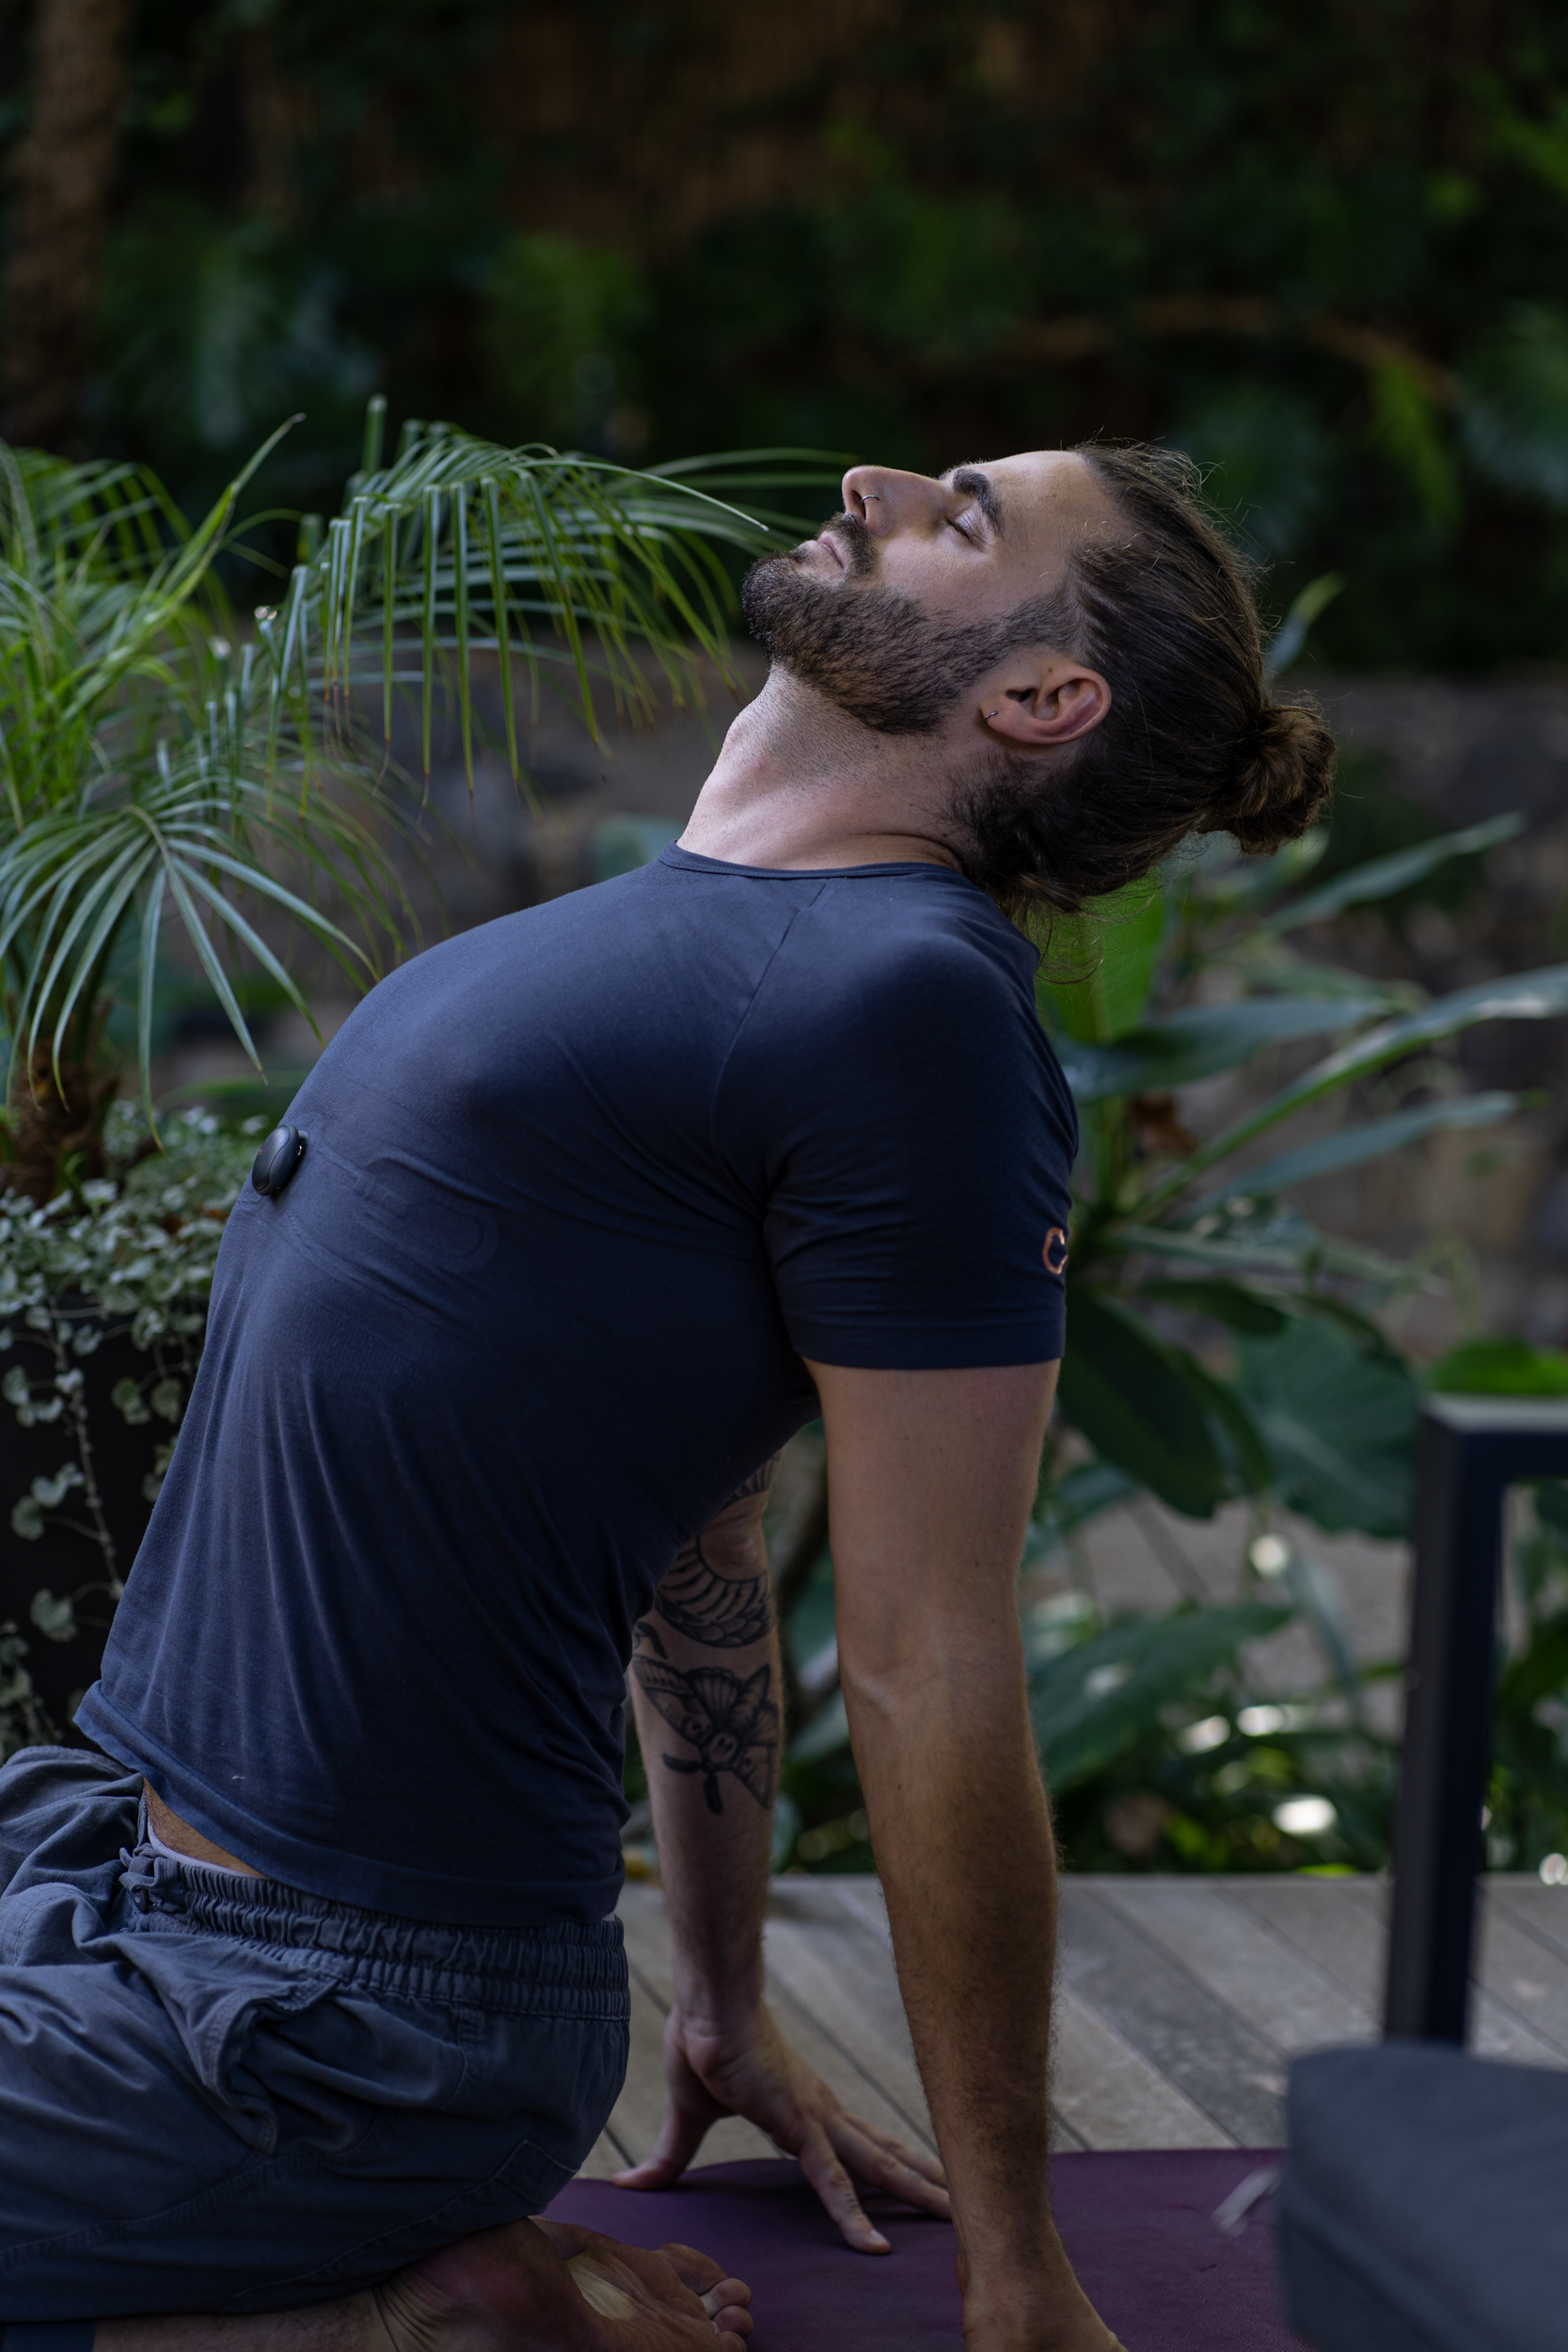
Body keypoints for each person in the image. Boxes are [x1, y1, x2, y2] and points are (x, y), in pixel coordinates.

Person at [0, 443, 1333, 2352]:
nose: (873, 477)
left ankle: (400, 2314)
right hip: (97, 1859)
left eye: (963, 513)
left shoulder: (913, 1006)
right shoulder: (681, 940)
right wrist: (716, 1990)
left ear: (1040, 697)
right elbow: (694, 1522)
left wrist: (1019, 2276)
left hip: (327, 2016)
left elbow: (934, 1653)